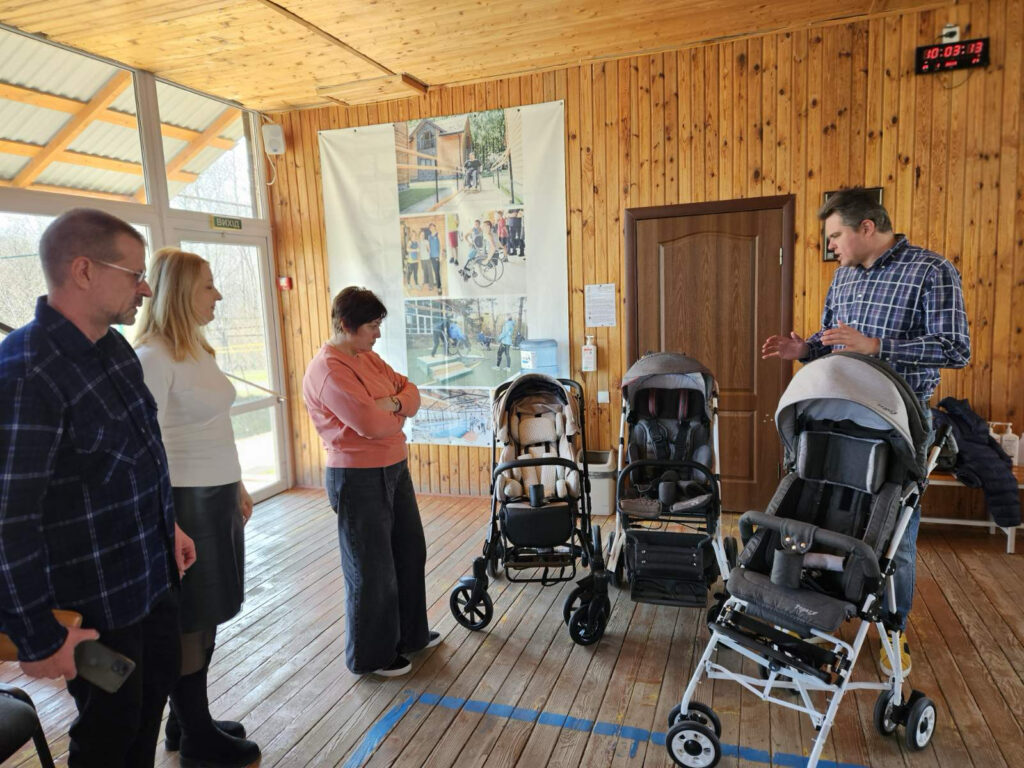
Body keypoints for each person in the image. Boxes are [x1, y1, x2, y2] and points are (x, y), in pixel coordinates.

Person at [0, 208, 196, 768]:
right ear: (83, 270)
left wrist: (169, 527)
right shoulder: (27, 372)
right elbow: (9, 521)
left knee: (148, 704)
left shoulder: (112, 349)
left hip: (149, 581)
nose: (146, 288)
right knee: (109, 731)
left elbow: (135, 458)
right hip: (93, 612)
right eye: (134, 274)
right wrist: (39, 637)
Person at [762, 187, 970, 676]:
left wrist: (878, 346)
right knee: (825, 517)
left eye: (835, 235)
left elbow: (955, 349)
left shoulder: (931, 271)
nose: (831, 245)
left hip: (899, 420)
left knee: (896, 534)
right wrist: (805, 350)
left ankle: (893, 630)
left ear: (867, 228)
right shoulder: (843, 276)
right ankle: (813, 611)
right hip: (837, 414)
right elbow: (833, 339)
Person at [134, 249, 261, 767]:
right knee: (190, 620)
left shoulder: (195, 350)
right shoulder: (153, 358)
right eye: (208, 285)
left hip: (215, 496)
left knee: (206, 615)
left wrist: (237, 485)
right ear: (180, 292)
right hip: (185, 503)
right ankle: (197, 737)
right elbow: (146, 448)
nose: (218, 295)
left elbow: (214, 427)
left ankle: (184, 720)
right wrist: (168, 520)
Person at [302, 287, 438, 677]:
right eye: (372, 326)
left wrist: (392, 403)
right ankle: (372, 656)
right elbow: (369, 425)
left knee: (409, 552)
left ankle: (410, 635)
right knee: (371, 568)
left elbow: (412, 393)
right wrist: (392, 412)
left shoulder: (367, 358)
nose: (377, 334)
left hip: (394, 467)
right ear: (347, 325)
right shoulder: (329, 369)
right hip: (357, 475)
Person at [426, 223, 442, 294]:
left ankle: (439, 287)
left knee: (437, 272)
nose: (432, 228)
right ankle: (437, 283)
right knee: (434, 271)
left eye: (433, 227)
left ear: (435, 227)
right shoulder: (429, 236)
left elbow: (441, 245)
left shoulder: (438, 234)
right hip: (431, 256)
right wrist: (427, 249)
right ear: (429, 229)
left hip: (436, 256)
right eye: (430, 227)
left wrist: (440, 255)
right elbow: (429, 247)